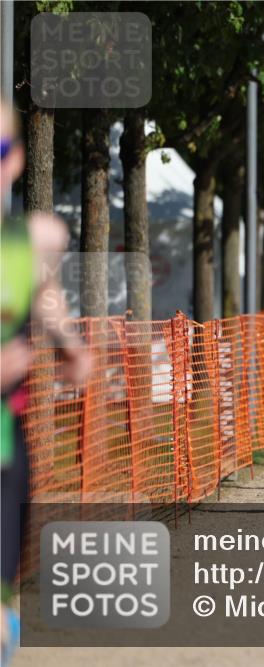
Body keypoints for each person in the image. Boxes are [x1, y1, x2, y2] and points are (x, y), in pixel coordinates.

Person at [1, 100, 91, 664]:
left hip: (5, 449)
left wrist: (70, 347)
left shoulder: (28, 243)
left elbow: (45, 303)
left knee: (5, 604)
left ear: (14, 162)